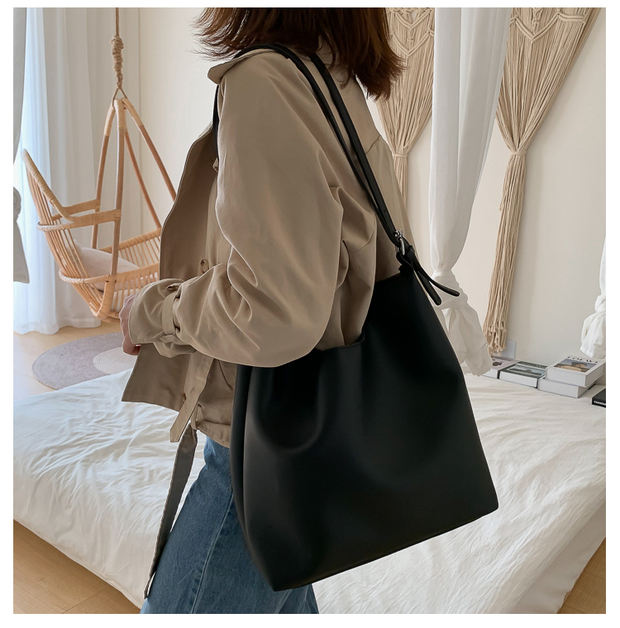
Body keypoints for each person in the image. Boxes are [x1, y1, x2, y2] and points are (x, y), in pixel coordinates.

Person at [119, 7, 410, 614]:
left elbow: (272, 308)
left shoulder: (267, 83)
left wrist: (154, 311)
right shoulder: (330, 76)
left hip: (261, 443)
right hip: (313, 433)